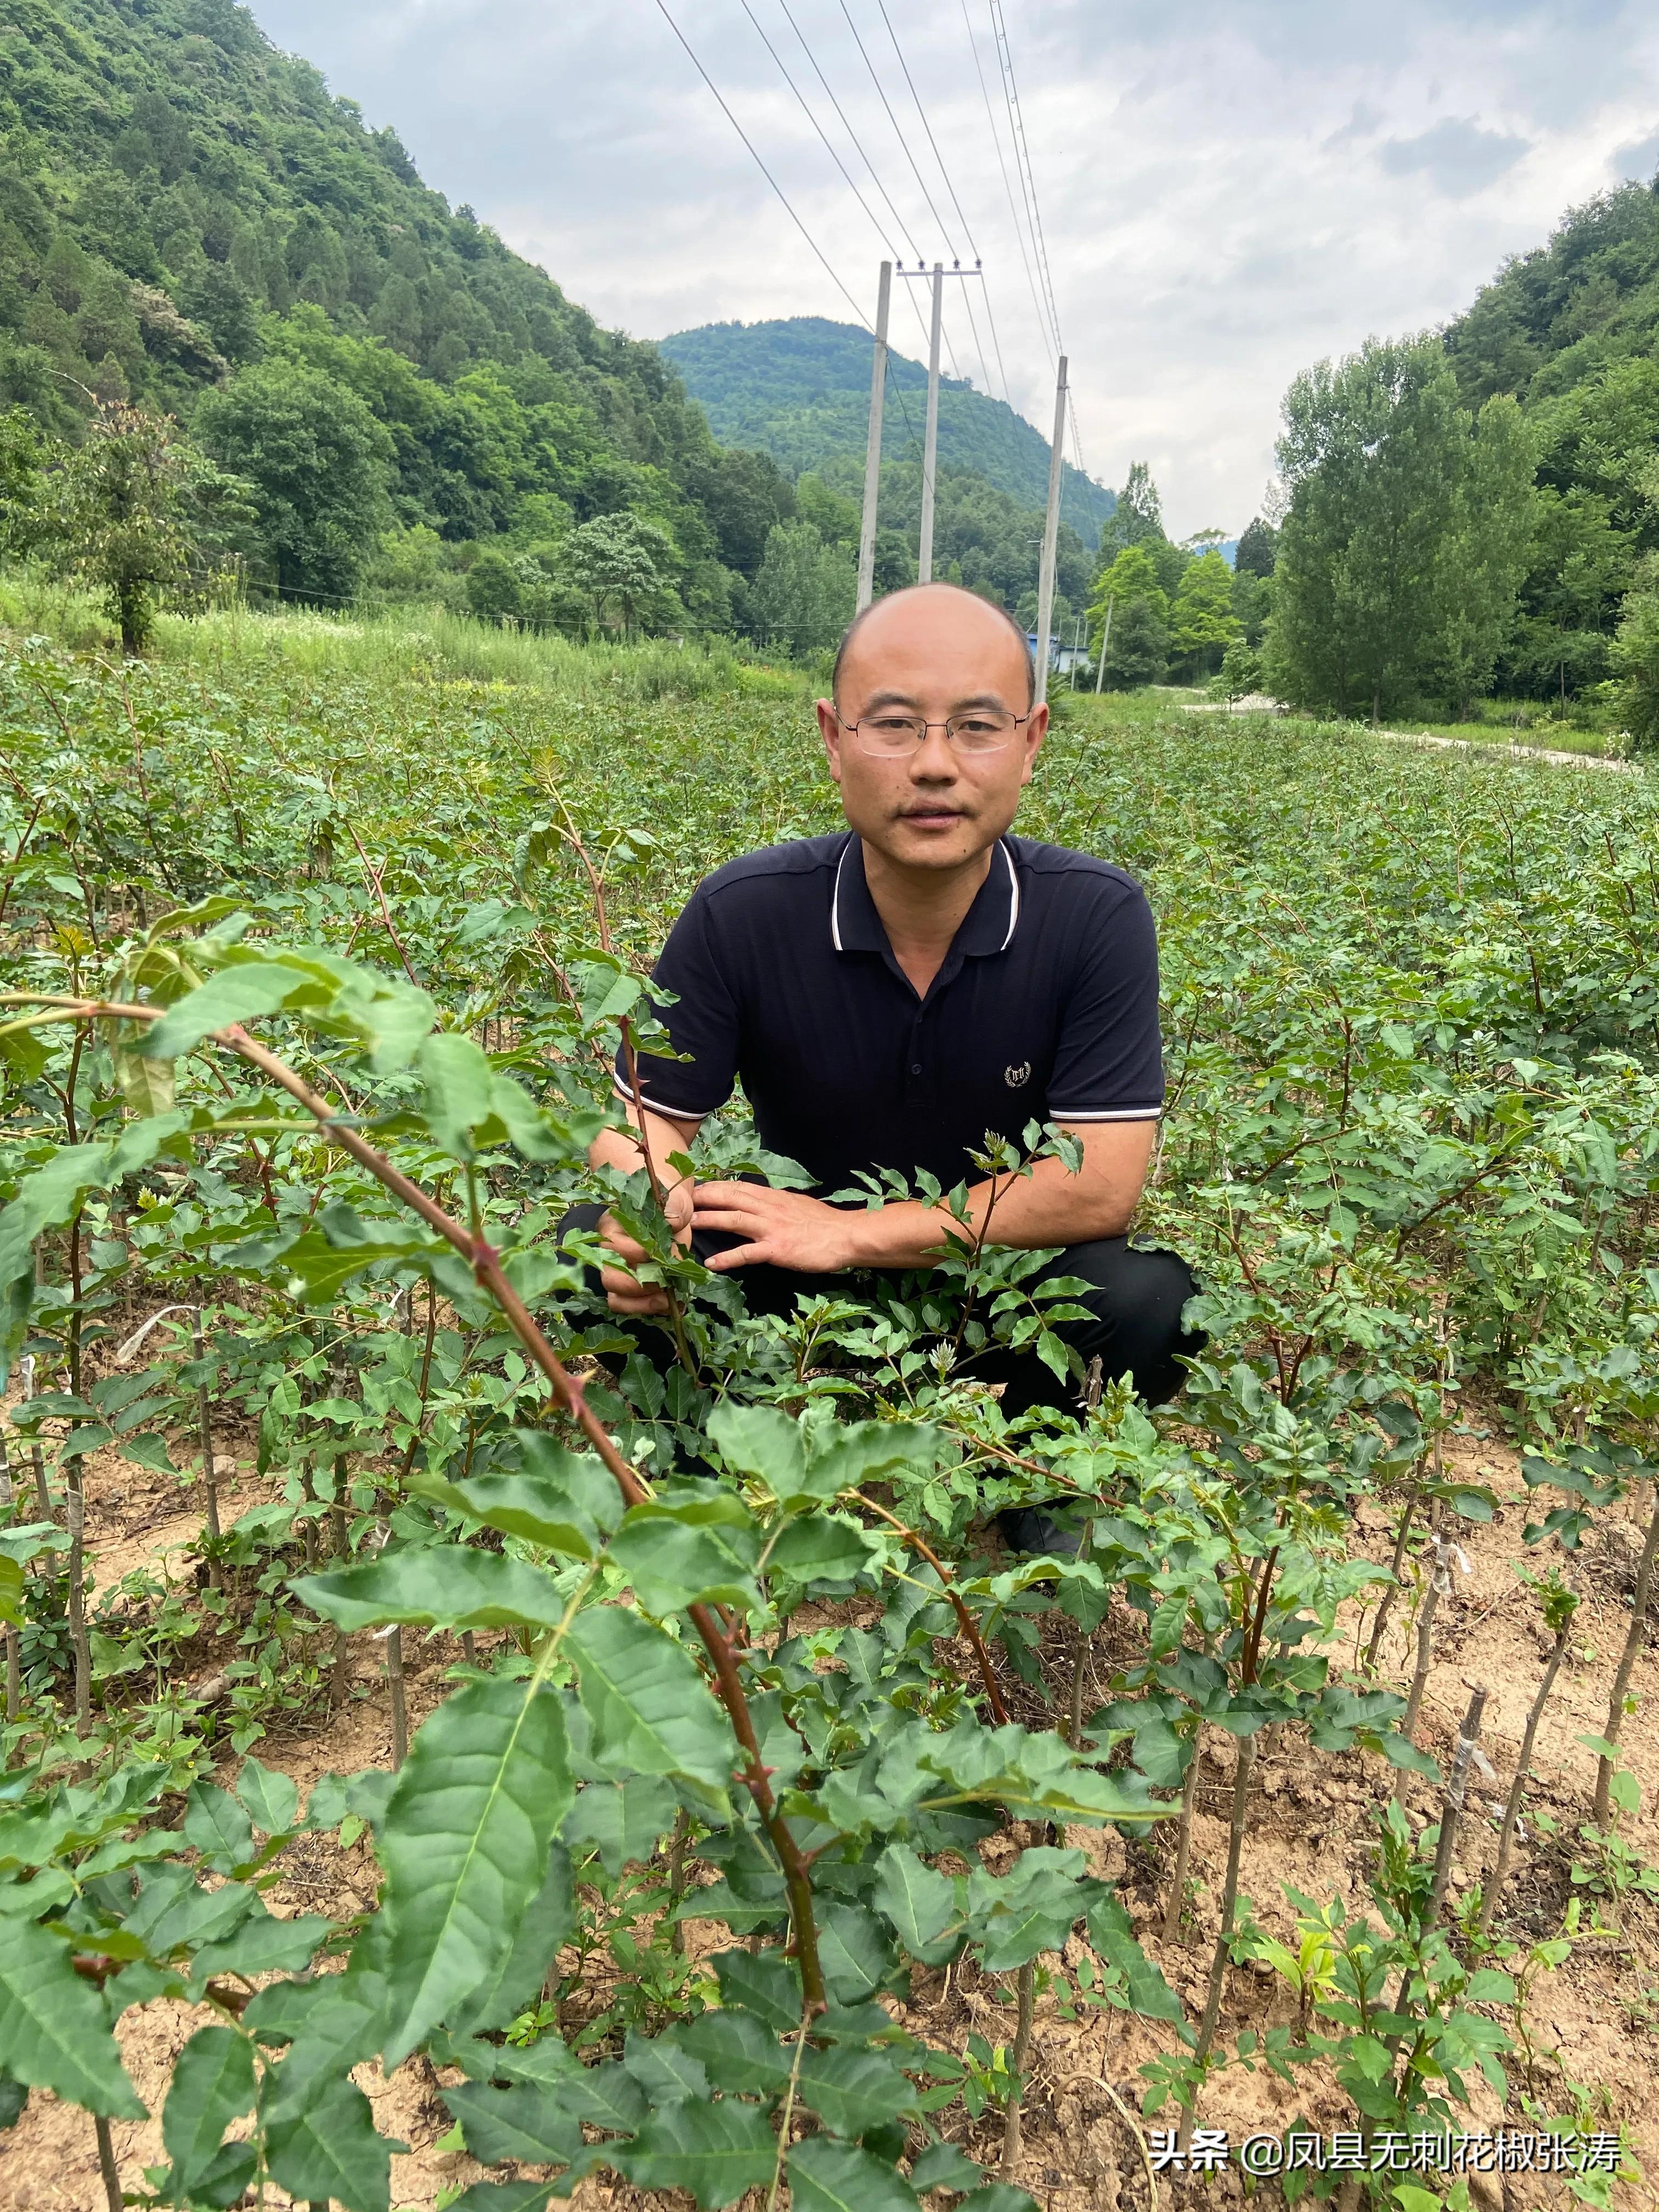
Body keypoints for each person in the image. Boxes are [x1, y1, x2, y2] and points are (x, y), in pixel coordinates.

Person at [565, 583, 1200, 1532]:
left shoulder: (1094, 917)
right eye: (894, 726)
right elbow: (639, 1129)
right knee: (590, 1245)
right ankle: (700, 1450)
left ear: (1032, 740)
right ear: (832, 736)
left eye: (978, 726)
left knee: (1150, 1301)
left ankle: (1038, 1471)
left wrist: (857, 1232)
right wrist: (650, 1215)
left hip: (1000, 1280)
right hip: (796, 1275)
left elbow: (1100, 1189)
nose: (936, 766)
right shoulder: (744, 912)